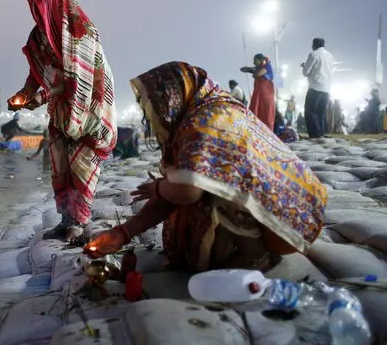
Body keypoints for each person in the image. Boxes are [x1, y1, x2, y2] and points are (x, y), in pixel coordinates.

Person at [86, 62, 327, 273]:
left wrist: (159, 187)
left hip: (288, 225)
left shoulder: (205, 120)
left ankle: (256, 259)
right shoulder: (205, 111)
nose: (155, 113)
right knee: (198, 185)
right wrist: (123, 232)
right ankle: (237, 252)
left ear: (173, 96)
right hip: (291, 215)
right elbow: (178, 191)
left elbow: (187, 192)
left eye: (158, 103)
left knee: (211, 190)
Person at [7, 0, 117, 241]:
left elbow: (80, 78)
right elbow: (36, 72)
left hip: (90, 105)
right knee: (60, 161)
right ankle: (65, 218)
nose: (37, 10)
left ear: (56, 1)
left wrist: (43, 95)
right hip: (60, 106)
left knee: (81, 160)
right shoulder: (39, 35)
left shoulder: (82, 30)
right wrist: (24, 94)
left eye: (41, 3)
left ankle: (78, 221)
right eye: (34, 5)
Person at [301, 38, 334, 139]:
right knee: (321, 113)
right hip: (326, 88)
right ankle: (321, 134)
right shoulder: (330, 55)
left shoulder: (313, 54)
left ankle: (315, 135)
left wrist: (304, 66)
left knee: (310, 112)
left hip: (315, 87)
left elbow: (306, 72)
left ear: (314, 44)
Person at [241, 54, 275, 130]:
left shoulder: (267, 66)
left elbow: (258, 74)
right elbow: (245, 69)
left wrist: (251, 70)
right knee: (255, 110)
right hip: (258, 93)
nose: (253, 62)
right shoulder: (259, 67)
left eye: (255, 60)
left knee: (266, 112)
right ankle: (255, 130)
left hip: (266, 93)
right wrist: (250, 69)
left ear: (260, 60)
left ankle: (268, 133)